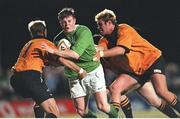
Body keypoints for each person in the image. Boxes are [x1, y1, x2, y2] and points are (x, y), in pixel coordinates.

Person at [93, 9, 180, 117]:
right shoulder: (103, 40)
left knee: (161, 92)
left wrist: (100, 53)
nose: (98, 27)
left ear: (109, 23)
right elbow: (100, 49)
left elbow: (121, 50)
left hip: (151, 60)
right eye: (97, 25)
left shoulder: (124, 29)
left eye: (100, 24)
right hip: (136, 70)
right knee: (115, 89)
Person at [41, 8, 119, 118]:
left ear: (74, 20)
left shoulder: (84, 31)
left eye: (69, 21)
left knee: (103, 106)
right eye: (63, 22)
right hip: (74, 75)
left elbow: (75, 54)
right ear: (60, 23)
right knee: (81, 111)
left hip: (92, 70)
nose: (67, 24)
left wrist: (53, 51)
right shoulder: (58, 39)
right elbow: (60, 60)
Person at [10, 20, 87, 118]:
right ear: (44, 31)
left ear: (31, 33)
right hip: (30, 77)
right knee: (53, 112)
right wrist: (79, 70)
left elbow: (53, 63)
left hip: (15, 79)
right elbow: (60, 60)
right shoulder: (45, 43)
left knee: (39, 102)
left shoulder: (28, 44)